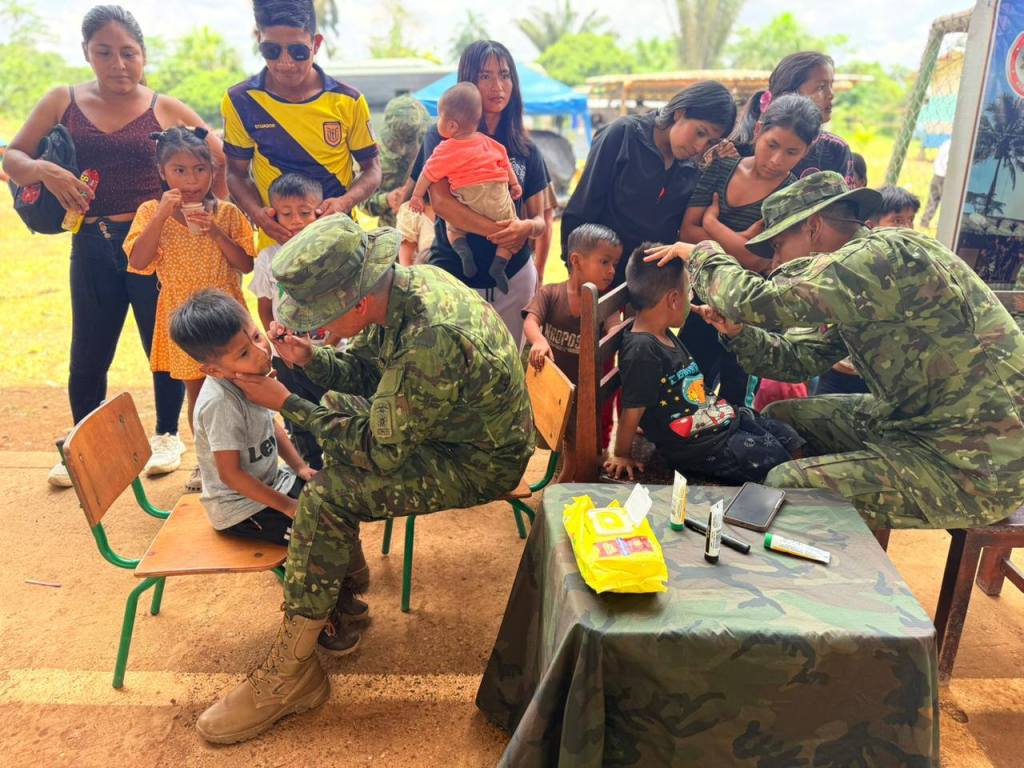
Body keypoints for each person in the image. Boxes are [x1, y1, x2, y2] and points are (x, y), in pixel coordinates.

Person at [193, 214, 534, 743]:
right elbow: (374, 373)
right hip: (455, 427)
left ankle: (291, 675)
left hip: (478, 458)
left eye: (318, 319)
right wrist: (313, 359)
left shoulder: (431, 335)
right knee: (334, 436)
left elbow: (380, 449)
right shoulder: (404, 287)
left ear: (355, 302)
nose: (314, 327)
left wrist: (290, 403)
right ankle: (340, 574)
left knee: (327, 496)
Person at [650, 171, 1024, 530]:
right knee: (783, 419)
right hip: (915, 424)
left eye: (778, 247)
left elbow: (757, 300)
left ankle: (813, 565)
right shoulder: (855, 282)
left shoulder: (881, 257)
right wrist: (738, 332)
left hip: (979, 464)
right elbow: (797, 360)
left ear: (813, 227)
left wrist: (700, 254)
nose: (775, 263)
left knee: (786, 484)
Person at [2, 4, 226, 487]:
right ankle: (85, 446)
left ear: (143, 54)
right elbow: (12, 155)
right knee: (89, 349)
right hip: (92, 242)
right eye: (104, 52)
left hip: (154, 244)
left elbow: (218, 156)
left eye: (128, 52)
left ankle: (167, 436)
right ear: (87, 52)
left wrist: (211, 212)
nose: (118, 64)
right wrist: (44, 169)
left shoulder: (164, 107)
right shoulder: (61, 100)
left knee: (164, 343)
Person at [170, 290, 369, 650]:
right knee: (313, 538)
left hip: (272, 485)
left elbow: (272, 426)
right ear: (213, 370)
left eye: (256, 337)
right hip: (240, 509)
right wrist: (287, 505)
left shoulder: (250, 380)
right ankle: (320, 625)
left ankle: (341, 594)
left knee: (333, 504)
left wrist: (300, 467)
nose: (261, 352)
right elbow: (231, 476)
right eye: (244, 353)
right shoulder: (220, 404)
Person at [124, 128, 255, 490]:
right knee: (199, 395)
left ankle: (248, 461)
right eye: (179, 170)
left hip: (227, 316)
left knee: (245, 387)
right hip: (185, 322)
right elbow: (138, 262)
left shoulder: (227, 213)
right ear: (161, 172)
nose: (191, 180)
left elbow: (245, 264)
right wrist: (161, 216)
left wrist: (215, 232)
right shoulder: (150, 212)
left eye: (200, 169)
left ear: (213, 171)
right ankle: (206, 465)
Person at [604, 245, 803, 482]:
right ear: (673, 300)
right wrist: (622, 454)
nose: (691, 300)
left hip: (720, 422)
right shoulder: (642, 349)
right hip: (704, 447)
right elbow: (632, 408)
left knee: (790, 438)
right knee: (781, 464)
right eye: (689, 292)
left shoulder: (660, 332)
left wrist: (700, 311)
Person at [681, 93, 822, 407]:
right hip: (703, 303)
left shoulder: (792, 195)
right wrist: (741, 240)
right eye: (772, 145)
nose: (776, 160)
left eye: (791, 152)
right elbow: (687, 232)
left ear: (807, 150)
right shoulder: (721, 169)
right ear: (759, 129)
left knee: (736, 397)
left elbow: (758, 259)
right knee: (689, 389)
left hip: (752, 313)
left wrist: (712, 225)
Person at [422, 40, 554, 345]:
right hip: (453, 277)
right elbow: (441, 202)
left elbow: (540, 220)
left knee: (508, 369)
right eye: (485, 76)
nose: (498, 86)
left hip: (515, 280)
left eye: (505, 75)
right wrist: (502, 232)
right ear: (468, 81)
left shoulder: (526, 148)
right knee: (454, 367)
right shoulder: (443, 136)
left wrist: (525, 230)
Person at [220, 0, 381, 250]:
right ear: (258, 39)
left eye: (298, 51)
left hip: (339, 241)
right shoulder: (241, 101)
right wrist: (259, 215)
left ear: (316, 44)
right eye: (272, 50)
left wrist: (344, 203)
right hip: (277, 244)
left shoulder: (348, 101)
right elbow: (235, 174)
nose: (285, 62)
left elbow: (373, 170)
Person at [562, 81, 737, 288]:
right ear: (679, 113)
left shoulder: (693, 167)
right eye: (700, 132)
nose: (700, 146)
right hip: (602, 280)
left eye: (710, 142)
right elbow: (581, 209)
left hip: (653, 286)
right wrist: (577, 276)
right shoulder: (623, 136)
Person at [523, 223, 622, 478]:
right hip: (554, 387)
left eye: (614, 263)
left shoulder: (604, 301)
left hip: (584, 392)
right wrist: (539, 341)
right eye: (604, 262)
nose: (612, 271)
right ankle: (556, 475)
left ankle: (563, 483)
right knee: (549, 436)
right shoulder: (550, 293)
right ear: (576, 260)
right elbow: (531, 321)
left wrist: (617, 333)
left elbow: (614, 327)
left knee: (575, 444)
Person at [247, 172, 331, 470]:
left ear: (319, 212)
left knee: (334, 409)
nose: (296, 221)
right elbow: (265, 307)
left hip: (331, 352)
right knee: (297, 414)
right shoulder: (268, 258)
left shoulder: (331, 253)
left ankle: (344, 466)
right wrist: (278, 345)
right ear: (273, 215)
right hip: (287, 357)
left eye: (305, 213)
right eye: (287, 213)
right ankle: (310, 468)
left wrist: (329, 345)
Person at [411, 82, 523, 293]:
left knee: (452, 226)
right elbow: (504, 161)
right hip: (496, 197)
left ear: (452, 126)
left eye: (440, 117)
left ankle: (462, 249)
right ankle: (500, 264)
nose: (437, 122)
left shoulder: (445, 149)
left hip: (468, 197)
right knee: (511, 230)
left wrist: (417, 196)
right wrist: (514, 184)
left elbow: (427, 173)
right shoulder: (490, 143)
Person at [729, 52, 854, 184]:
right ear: (789, 96)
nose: (831, 94)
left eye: (831, 86)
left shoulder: (835, 148)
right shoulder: (736, 148)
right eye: (821, 87)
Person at [359, 93, 430, 228]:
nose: (403, 151)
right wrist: (387, 199)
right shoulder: (376, 157)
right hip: (392, 232)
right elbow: (360, 200)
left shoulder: (435, 151)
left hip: (427, 231)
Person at [921, 138, 950, 229]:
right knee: (948, 202)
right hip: (946, 177)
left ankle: (924, 221)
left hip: (937, 174)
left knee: (932, 200)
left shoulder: (946, 143)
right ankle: (944, 225)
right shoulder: (956, 146)